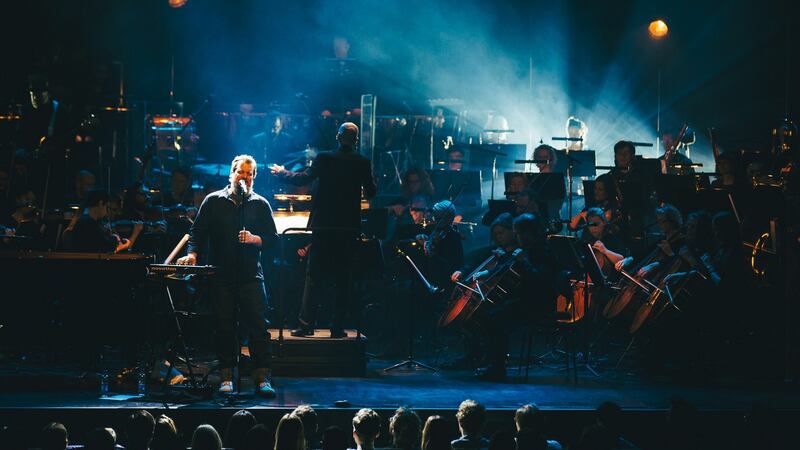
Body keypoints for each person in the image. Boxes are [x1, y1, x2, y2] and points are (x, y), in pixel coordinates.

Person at [177, 154, 278, 397]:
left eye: (250, 174)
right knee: (224, 326)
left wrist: (255, 239)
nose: (245, 177)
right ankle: (226, 376)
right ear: (231, 173)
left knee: (258, 327)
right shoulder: (213, 201)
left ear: (254, 177)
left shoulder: (261, 204)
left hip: (251, 276)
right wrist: (193, 255)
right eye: (241, 172)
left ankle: (262, 377)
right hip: (221, 276)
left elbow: (274, 240)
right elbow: (197, 232)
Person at [271, 122, 376, 338]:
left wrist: (282, 173)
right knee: (343, 279)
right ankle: (337, 328)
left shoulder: (324, 158)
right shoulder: (362, 162)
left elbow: (303, 178)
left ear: (338, 136)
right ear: (355, 140)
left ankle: (306, 324)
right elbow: (372, 191)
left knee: (315, 276)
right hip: (348, 228)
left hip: (324, 225)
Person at [64, 188, 140, 253]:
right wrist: (117, 239)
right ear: (100, 203)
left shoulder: (87, 221)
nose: (106, 211)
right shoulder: (87, 223)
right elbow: (105, 247)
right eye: (106, 206)